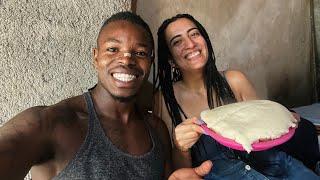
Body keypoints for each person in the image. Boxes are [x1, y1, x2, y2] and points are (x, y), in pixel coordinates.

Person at [0, 11, 213, 180]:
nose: (126, 60)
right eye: (113, 49)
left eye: (139, 53)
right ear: (96, 56)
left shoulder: (157, 130)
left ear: (150, 60)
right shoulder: (52, 122)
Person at [154, 13, 319, 179]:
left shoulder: (234, 80)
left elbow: (267, 133)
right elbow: (179, 174)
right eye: (177, 41)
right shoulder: (164, 101)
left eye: (194, 34)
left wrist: (281, 118)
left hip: (283, 170)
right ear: (170, 60)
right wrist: (181, 148)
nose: (190, 44)